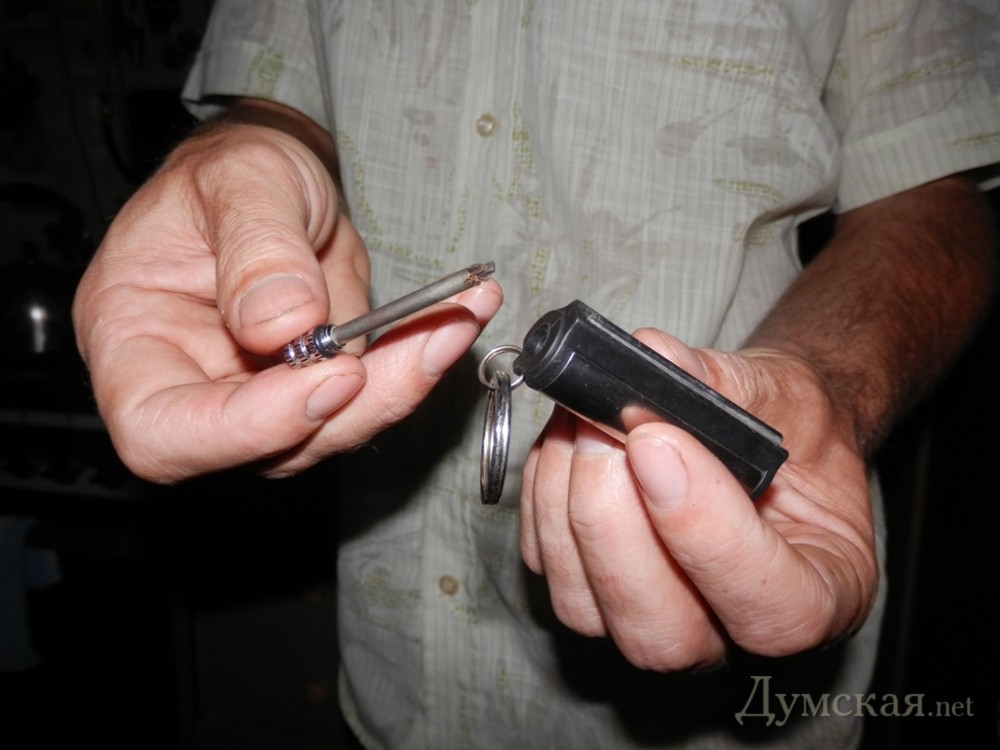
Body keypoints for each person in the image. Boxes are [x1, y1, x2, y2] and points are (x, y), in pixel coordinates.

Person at [73, 1, 999, 748]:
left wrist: (825, 383)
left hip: (732, 708)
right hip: (392, 678)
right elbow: (278, 96)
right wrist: (244, 150)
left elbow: (930, 182)